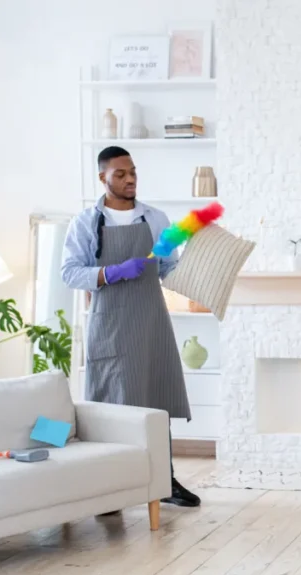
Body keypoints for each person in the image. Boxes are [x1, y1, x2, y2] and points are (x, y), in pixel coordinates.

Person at [61, 145, 201, 508]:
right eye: (120, 174)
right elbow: (69, 272)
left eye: (133, 172)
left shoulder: (155, 219)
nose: (129, 180)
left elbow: (169, 269)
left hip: (151, 321)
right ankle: (110, 490)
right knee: (112, 406)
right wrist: (110, 272)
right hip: (110, 325)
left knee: (157, 400)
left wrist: (193, 259)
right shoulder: (87, 223)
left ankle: (165, 482)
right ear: (102, 177)